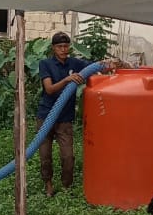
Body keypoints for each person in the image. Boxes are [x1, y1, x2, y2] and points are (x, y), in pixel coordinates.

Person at [36, 31, 121, 197]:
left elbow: (95, 67)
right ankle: (48, 184)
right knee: (45, 155)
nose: (63, 49)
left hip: (65, 119)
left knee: (68, 156)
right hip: (46, 116)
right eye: (60, 46)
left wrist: (111, 65)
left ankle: (66, 187)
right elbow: (49, 89)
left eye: (66, 46)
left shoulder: (75, 63)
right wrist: (67, 80)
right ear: (53, 48)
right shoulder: (45, 64)